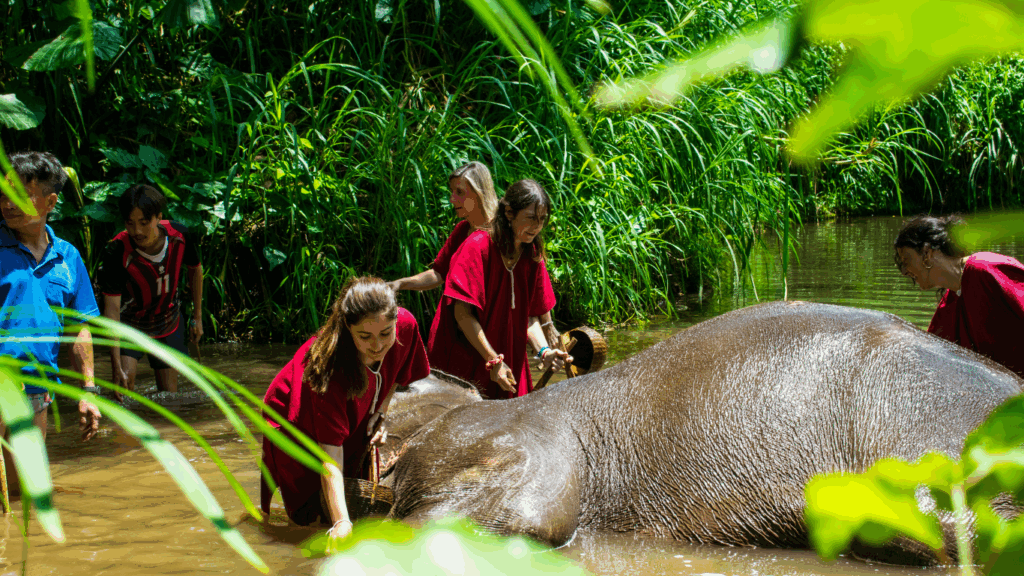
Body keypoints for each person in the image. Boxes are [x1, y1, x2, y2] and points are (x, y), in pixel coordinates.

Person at [260, 277, 429, 545]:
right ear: (348, 328)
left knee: (352, 484)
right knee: (307, 520)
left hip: (354, 404)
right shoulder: (328, 370)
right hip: (295, 418)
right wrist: (341, 523)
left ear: (396, 321)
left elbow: (400, 369)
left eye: (386, 333)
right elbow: (330, 459)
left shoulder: (406, 326)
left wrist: (381, 411)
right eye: (365, 337)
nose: (377, 346)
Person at [427, 179, 571, 399]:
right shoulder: (478, 246)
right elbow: (462, 314)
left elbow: (529, 316)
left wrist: (545, 352)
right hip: (469, 358)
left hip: (508, 362)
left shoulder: (531, 254)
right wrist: (493, 360)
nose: (537, 226)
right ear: (509, 213)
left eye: (542, 219)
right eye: (531, 218)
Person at [0, 151, 101, 464]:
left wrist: (88, 389)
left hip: (37, 391)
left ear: (51, 202)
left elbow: (78, 328)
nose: (7, 204)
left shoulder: (67, 257)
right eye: (3, 194)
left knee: (22, 495)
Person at [98, 185, 203, 398]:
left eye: (144, 223)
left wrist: (197, 318)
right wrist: (115, 363)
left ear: (158, 218)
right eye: (130, 223)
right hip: (130, 324)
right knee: (123, 391)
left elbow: (196, 269)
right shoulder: (117, 251)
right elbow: (112, 310)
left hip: (167, 320)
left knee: (169, 397)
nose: (137, 231)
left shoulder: (180, 236)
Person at [894, 214, 1024, 378]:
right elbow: (932, 358)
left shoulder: (984, 269)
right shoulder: (948, 305)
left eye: (907, 260)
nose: (905, 272)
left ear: (926, 253)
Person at [389, 161, 498, 293]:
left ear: (479, 193)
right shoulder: (462, 230)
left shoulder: (502, 231)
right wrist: (399, 284)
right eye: (452, 191)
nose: (452, 199)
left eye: (460, 192)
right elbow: (438, 274)